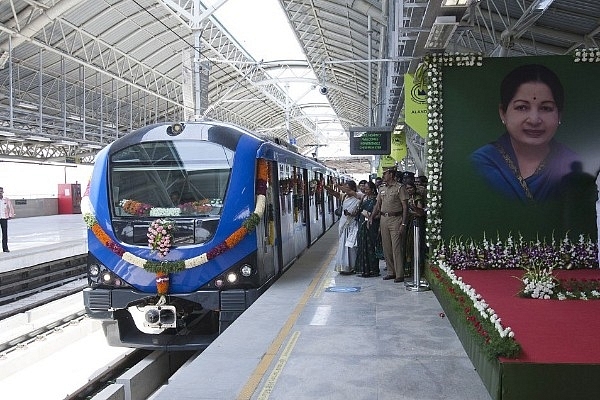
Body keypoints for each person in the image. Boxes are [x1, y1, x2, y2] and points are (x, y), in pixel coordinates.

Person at [470, 64, 580, 203]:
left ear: (559, 115)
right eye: (522, 107)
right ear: (503, 113)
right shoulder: (480, 164)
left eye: (546, 108)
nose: (534, 120)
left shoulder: (573, 166)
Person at [369, 168, 409, 282]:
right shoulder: (381, 188)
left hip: (396, 219)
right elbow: (378, 205)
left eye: (385, 174)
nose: (383, 176)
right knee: (386, 247)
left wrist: (403, 223)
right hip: (383, 219)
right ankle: (391, 272)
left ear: (391, 174)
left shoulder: (399, 188)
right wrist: (372, 216)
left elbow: (405, 207)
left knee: (396, 247)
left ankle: (399, 274)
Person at [325, 180, 362, 274]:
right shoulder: (345, 196)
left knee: (351, 244)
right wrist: (327, 188)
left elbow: (350, 193)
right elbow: (335, 193)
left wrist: (339, 186)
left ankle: (353, 265)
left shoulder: (358, 195)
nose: (345, 190)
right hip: (343, 222)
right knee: (343, 244)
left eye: (347, 188)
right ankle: (344, 265)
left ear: (353, 188)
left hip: (352, 224)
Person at [354, 181, 381, 277]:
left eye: (367, 189)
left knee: (371, 247)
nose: (365, 190)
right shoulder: (364, 198)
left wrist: (369, 216)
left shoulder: (376, 200)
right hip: (362, 225)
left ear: (373, 190)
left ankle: (373, 270)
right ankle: (363, 269)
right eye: (364, 188)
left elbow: (379, 214)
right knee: (362, 246)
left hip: (371, 225)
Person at [0, 186, 15, 252]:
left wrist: (10, 215)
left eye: (1, 191)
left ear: (3, 192)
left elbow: (10, 207)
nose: (0, 193)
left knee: (5, 233)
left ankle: (5, 248)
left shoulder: (6, 200)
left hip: (4, 218)